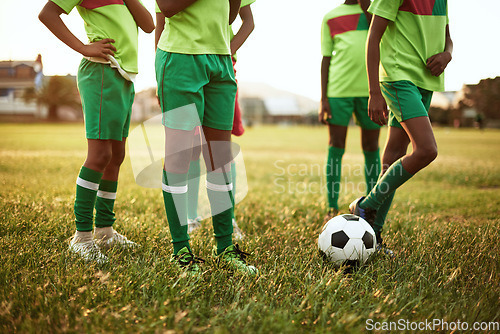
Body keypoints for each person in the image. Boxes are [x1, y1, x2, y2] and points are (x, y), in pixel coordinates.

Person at [39, 0, 154, 264]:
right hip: (100, 71)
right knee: (100, 155)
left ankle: (104, 231)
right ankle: (82, 237)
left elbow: (148, 25)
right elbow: (47, 14)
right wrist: (82, 47)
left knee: (116, 156)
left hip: (123, 78)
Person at [156, 0, 258, 276]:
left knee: (220, 159)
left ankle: (225, 248)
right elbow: (165, 7)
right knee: (178, 158)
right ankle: (181, 251)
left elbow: (230, 15)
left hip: (221, 60)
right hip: (180, 58)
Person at [349, 0, 453, 250]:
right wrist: (374, 92)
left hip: (426, 81)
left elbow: (447, 35)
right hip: (398, 76)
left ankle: (372, 235)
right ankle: (366, 205)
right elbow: (373, 36)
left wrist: (447, 54)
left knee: (395, 154)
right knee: (426, 150)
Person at [184, 0, 256, 239]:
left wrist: (228, 50)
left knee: (221, 150)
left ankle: (228, 217)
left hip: (222, 68)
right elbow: (161, 21)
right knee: (191, 147)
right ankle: (189, 215)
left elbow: (248, 21)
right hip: (186, 64)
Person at [319, 0, 381, 221]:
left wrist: (368, 6)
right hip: (338, 92)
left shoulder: (377, 10)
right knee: (336, 146)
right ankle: (332, 207)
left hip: (371, 92)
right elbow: (326, 59)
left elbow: (382, 40)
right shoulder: (330, 16)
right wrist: (323, 98)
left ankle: (374, 206)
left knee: (372, 146)